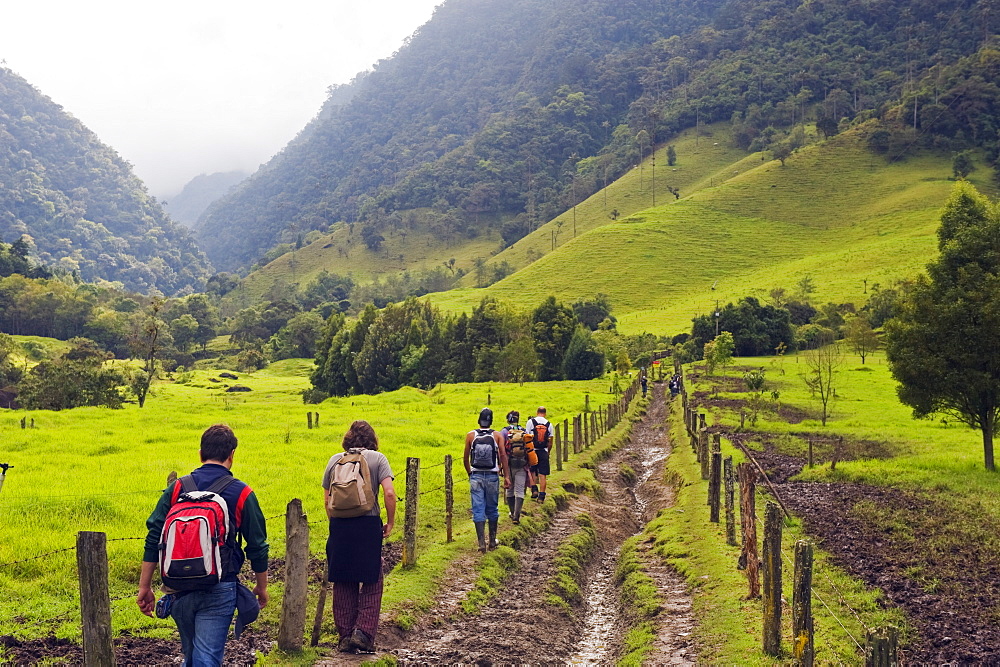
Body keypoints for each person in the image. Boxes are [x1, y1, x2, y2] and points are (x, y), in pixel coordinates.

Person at [137, 424, 269, 667]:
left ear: (200, 454)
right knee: (206, 658)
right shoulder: (242, 493)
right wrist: (261, 586)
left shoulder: (177, 488)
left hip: (177, 587)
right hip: (220, 586)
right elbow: (257, 546)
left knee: (192, 656)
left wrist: (145, 586)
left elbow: (154, 535)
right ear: (232, 455)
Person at [322, 420, 397, 654]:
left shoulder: (335, 460)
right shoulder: (378, 458)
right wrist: (391, 522)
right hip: (368, 525)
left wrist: (336, 522)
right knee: (373, 578)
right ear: (372, 439)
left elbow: (327, 499)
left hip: (340, 526)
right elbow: (390, 493)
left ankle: (345, 636)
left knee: (344, 580)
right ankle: (363, 633)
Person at [464, 407, 510, 551]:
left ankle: (481, 544)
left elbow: (465, 458)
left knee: (478, 509)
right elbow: (503, 455)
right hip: (492, 476)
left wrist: (469, 472)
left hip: (476, 475)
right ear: (491, 421)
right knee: (492, 508)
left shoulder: (471, 436)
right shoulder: (497, 436)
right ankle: (492, 541)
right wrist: (507, 476)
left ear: (479, 420)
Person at [500, 410, 534, 525]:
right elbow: (530, 449)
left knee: (510, 489)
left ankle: (511, 512)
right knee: (520, 490)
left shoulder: (504, 432)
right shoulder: (524, 431)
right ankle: (516, 516)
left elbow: (501, 450)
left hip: (508, 465)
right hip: (522, 465)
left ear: (508, 419)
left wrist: (501, 466)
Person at [526, 406, 553, 503]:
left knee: (531, 471)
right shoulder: (549, 424)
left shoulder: (530, 422)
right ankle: (541, 496)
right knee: (543, 474)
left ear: (537, 412)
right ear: (545, 413)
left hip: (533, 451)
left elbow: (527, 437)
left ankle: (534, 489)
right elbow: (550, 441)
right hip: (543, 451)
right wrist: (548, 452)